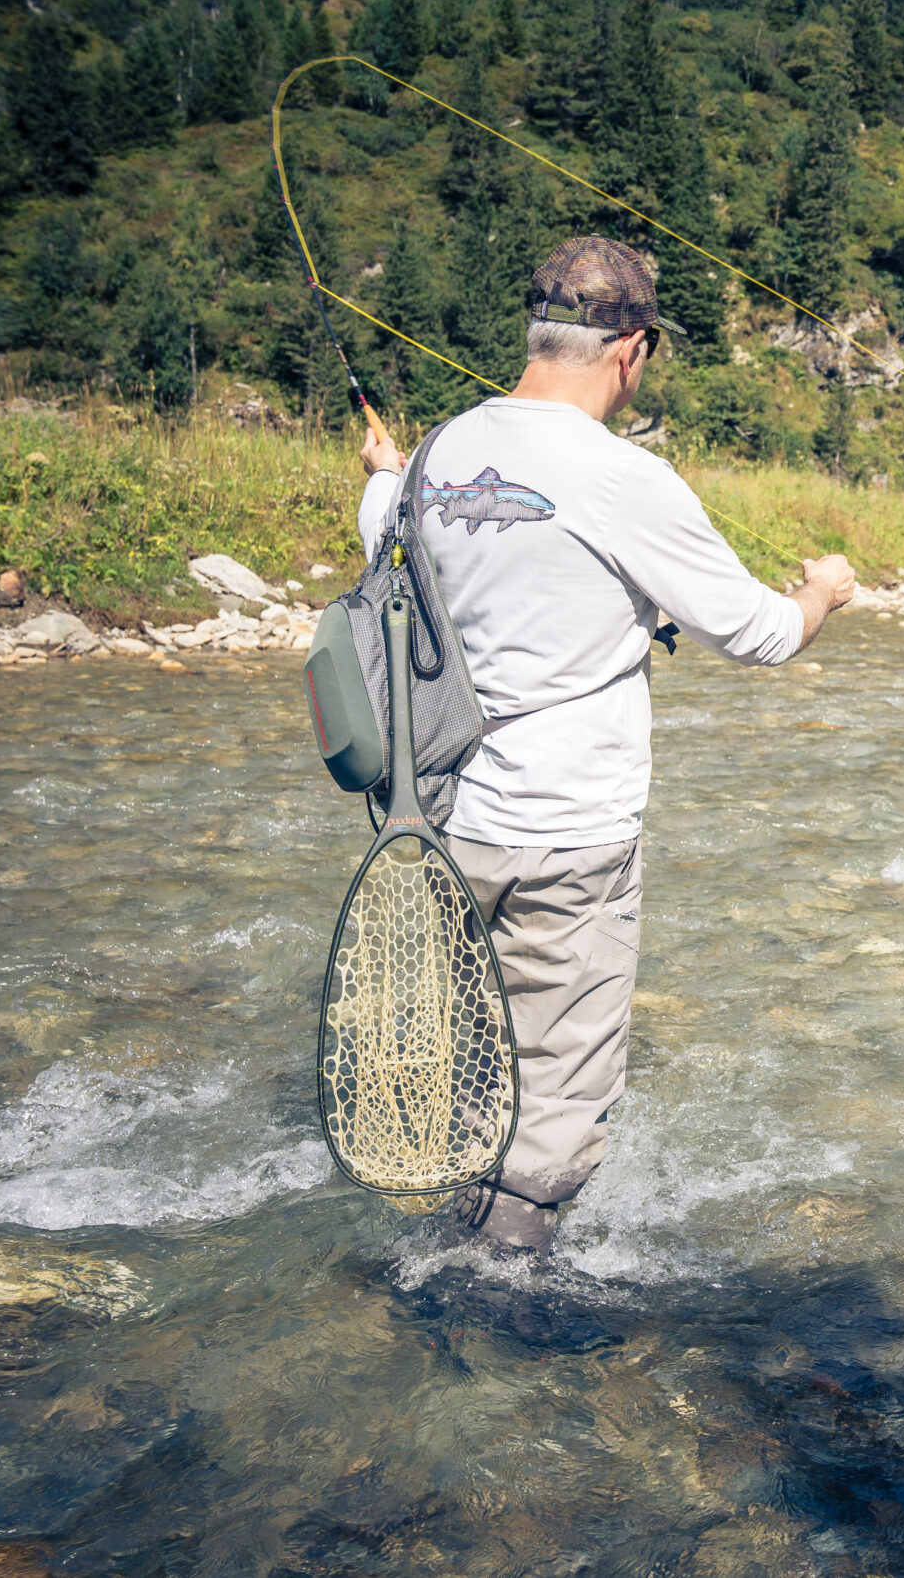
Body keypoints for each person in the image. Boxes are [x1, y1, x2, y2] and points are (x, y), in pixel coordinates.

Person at [352, 237, 857, 1252]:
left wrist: (382, 475)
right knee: (554, 1104)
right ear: (633, 349)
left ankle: (443, 1247)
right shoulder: (625, 477)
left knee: (473, 1068)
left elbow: (385, 539)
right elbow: (756, 635)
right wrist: (822, 592)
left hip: (443, 821)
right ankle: (502, 1309)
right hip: (569, 836)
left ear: (537, 331)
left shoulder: (439, 454)